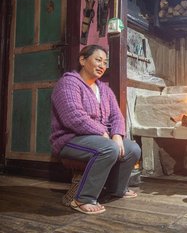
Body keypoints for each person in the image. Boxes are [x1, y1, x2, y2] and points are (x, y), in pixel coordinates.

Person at [50, 44, 141, 215]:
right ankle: (83, 199)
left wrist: (117, 135)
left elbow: (116, 116)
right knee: (108, 148)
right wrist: (103, 133)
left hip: (101, 139)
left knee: (132, 148)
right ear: (83, 60)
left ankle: (116, 189)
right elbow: (73, 116)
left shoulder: (104, 89)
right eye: (98, 60)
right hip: (69, 140)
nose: (102, 65)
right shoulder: (68, 83)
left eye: (105, 62)